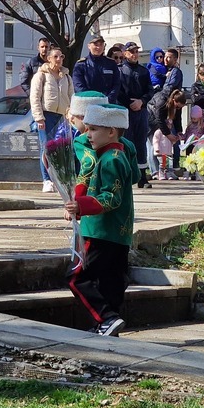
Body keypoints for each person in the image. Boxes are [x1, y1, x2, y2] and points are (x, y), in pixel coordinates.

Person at [64, 103, 139, 337]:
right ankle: (109, 324)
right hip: (119, 234)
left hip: (100, 231)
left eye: (93, 129)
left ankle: (106, 318)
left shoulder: (111, 159)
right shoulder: (117, 154)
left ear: (111, 132)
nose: (88, 135)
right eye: (87, 128)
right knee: (111, 281)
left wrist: (81, 205)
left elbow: (111, 198)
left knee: (76, 277)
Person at [30, 47, 73, 192]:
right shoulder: (41, 75)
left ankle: (59, 179)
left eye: (61, 56)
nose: (59, 59)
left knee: (61, 148)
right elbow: (35, 97)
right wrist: (39, 118)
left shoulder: (66, 76)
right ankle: (46, 180)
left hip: (62, 116)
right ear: (49, 58)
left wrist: (71, 115)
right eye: (55, 56)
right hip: (46, 116)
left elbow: (72, 97)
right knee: (46, 148)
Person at [118, 42, 154, 189]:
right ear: (125, 53)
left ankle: (141, 177)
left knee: (141, 143)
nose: (134, 54)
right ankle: (126, 176)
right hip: (125, 111)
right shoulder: (119, 70)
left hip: (141, 111)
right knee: (126, 142)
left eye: (136, 52)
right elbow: (118, 91)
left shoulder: (143, 71)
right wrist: (129, 103)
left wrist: (141, 102)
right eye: (131, 52)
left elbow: (150, 91)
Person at [147, 89, 185, 180]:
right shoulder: (161, 102)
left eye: (180, 107)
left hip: (164, 122)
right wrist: (168, 134)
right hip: (152, 119)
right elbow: (159, 119)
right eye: (178, 106)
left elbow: (177, 119)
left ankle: (166, 171)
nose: (178, 108)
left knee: (167, 148)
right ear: (173, 101)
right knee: (153, 146)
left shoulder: (177, 106)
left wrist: (179, 131)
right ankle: (155, 172)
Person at [72, 33, 121, 102]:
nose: (98, 47)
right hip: (88, 104)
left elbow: (116, 84)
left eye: (101, 45)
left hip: (108, 104)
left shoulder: (111, 63)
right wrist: (92, 99)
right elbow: (78, 86)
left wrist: (108, 99)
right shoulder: (81, 65)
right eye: (96, 45)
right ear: (89, 46)